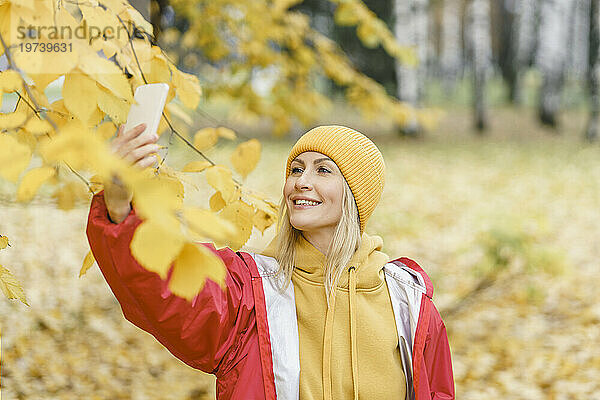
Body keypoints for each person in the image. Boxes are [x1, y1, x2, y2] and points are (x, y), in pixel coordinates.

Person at [87, 124, 455, 400]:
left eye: (322, 170)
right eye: (296, 170)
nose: (300, 182)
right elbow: (169, 284)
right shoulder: (251, 290)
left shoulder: (408, 304)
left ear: (356, 195)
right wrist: (120, 208)